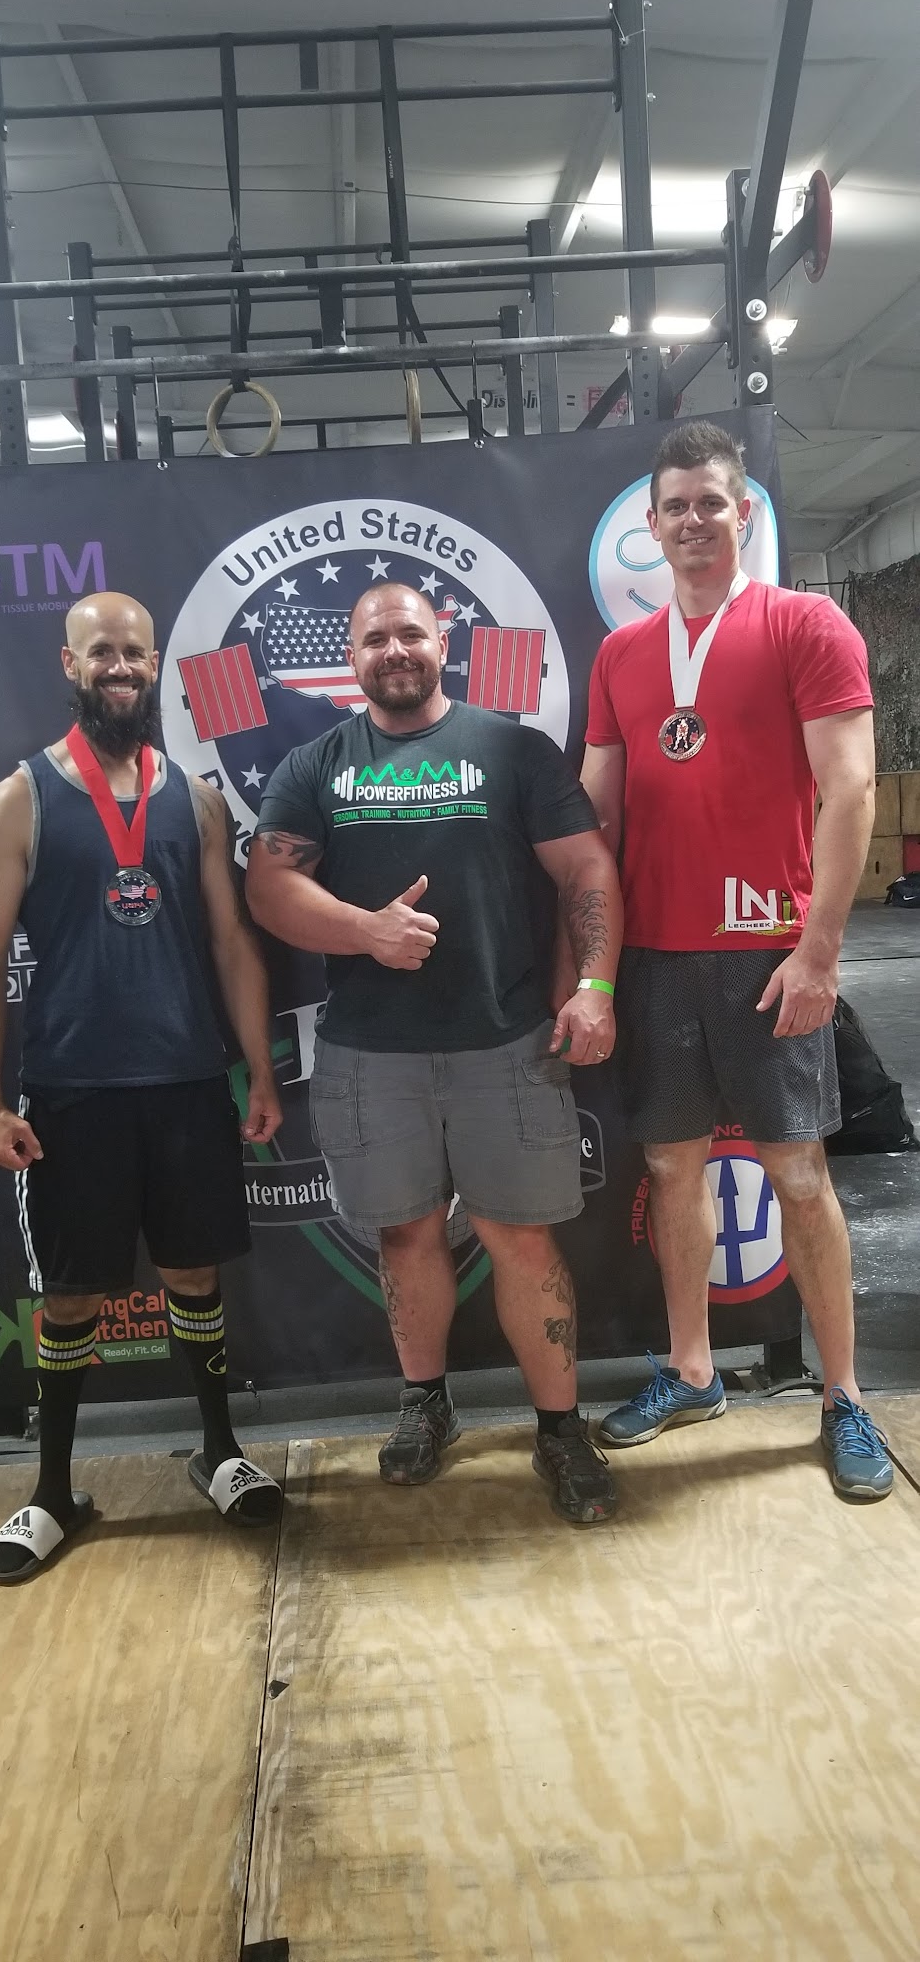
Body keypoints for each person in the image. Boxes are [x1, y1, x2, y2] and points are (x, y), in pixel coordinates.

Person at [246, 581, 624, 1524]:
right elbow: (269, 888)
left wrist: (595, 986)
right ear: (352, 658)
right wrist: (366, 932)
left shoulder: (512, 749)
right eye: (375, 639)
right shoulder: (315, 764)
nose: (395, 650)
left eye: (410, 632)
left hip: (507, 1042)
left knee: (521, 1240)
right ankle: (426, 1405)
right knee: (406, 1236)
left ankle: (560, 1428)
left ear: (442, 639)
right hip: (371, 1055)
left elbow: (586, 866)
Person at [580, 420, 892, 1500]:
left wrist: (819, 952)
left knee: (798, 1174)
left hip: (769, 953)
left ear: (744, 512)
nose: (694, 520)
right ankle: (692, 1368)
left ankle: (844, 1395)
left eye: (712, 501)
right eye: (675, 505)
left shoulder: (806, 623)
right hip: (657, 955)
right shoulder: (622, 654)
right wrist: (590, 966)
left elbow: (851, 789)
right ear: (651, 523)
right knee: (672, 1168)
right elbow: (594, 819)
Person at [0, 591, 284, 1585]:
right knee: (70, 1295)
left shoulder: (196, 799)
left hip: (185, 1084)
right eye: (101, 651)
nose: (120, 667)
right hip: (73, 1092)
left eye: (135, 652)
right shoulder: (17, 799)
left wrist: (260, 1067)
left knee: (194, 1275)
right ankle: (55, 1490)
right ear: (70, 664)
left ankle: (218, 1452)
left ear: (154, 665)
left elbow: (231, 941)